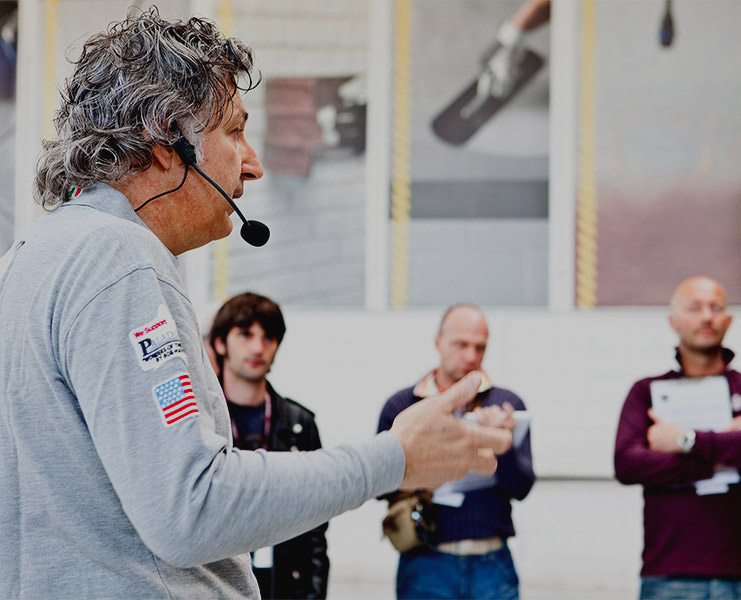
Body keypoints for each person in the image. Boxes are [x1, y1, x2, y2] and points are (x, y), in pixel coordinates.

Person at [0, 10, 512, 599]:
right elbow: (193, 504)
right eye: (234, 132)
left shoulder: (27, 258)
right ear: (166, 138)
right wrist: (393, 458)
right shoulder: (119, 259)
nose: (254, 163)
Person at [614, 276, 741, 600]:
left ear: (729, 320)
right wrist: (726, 454)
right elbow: (627, 464)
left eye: (716, 307)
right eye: (694, 308)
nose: (707, 316)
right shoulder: (646, 392)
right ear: (673, 321)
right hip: (668, 576)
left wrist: (686, 441)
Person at [377, 304, 535, 600]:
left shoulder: (507, 404)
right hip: (426, 560)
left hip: (491, 560)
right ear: (438, 342)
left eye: (480, 347)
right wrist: (423, 471)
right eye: (461, 345)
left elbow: (522, 487)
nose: (471, 356)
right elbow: (379, 486)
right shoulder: (403, 406)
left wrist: (501, 444)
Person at [209, 293, 329, 599]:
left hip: (284, 582)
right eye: (245, 334)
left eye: (268, 337)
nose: (258, 347)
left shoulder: (299, 423)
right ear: (220, 343)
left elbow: (316, 528)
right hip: (216, 580)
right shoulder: (201, 420)